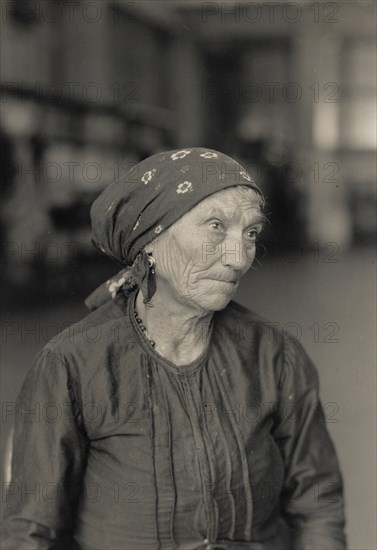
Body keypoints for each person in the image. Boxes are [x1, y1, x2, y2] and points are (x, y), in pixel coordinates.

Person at [2, 148, 347, 550]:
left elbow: (317, 504)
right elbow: (30, 532)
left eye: (250, 233)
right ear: (151, 239)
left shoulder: (274, 356)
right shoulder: (73, 366)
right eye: (216, 226)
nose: (238, 258)